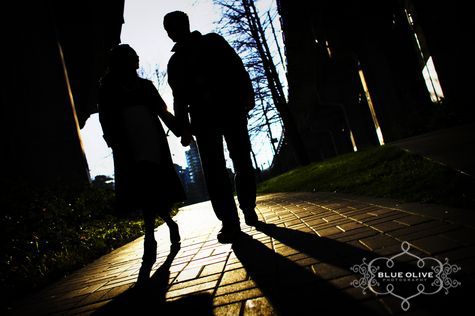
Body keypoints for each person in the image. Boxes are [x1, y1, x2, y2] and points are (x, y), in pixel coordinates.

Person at [163, 11, 259, 243]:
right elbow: (179, 98)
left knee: (238, 161)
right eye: (170, 29)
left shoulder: (212, 42)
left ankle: (244, 209)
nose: (172, 32)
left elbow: (237, 68)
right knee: (219, 169)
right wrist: (184, 128)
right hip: (206, 119)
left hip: (228, 110)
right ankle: (232, 219)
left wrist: (247, 94)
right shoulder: (176, 62)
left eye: (173, 27)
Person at [98, 44, 185, 263]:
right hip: (128, 145)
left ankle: (153, 235)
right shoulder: (108, 88)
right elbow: (105, 118)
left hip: (151, 140)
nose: (137, 60)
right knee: (146, 188)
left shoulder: (145, 86)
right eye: (133, 57)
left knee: (151, 187)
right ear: (123, 61)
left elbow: (162, 112)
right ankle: (161, 229)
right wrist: (112, 141)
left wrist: (181, 131)